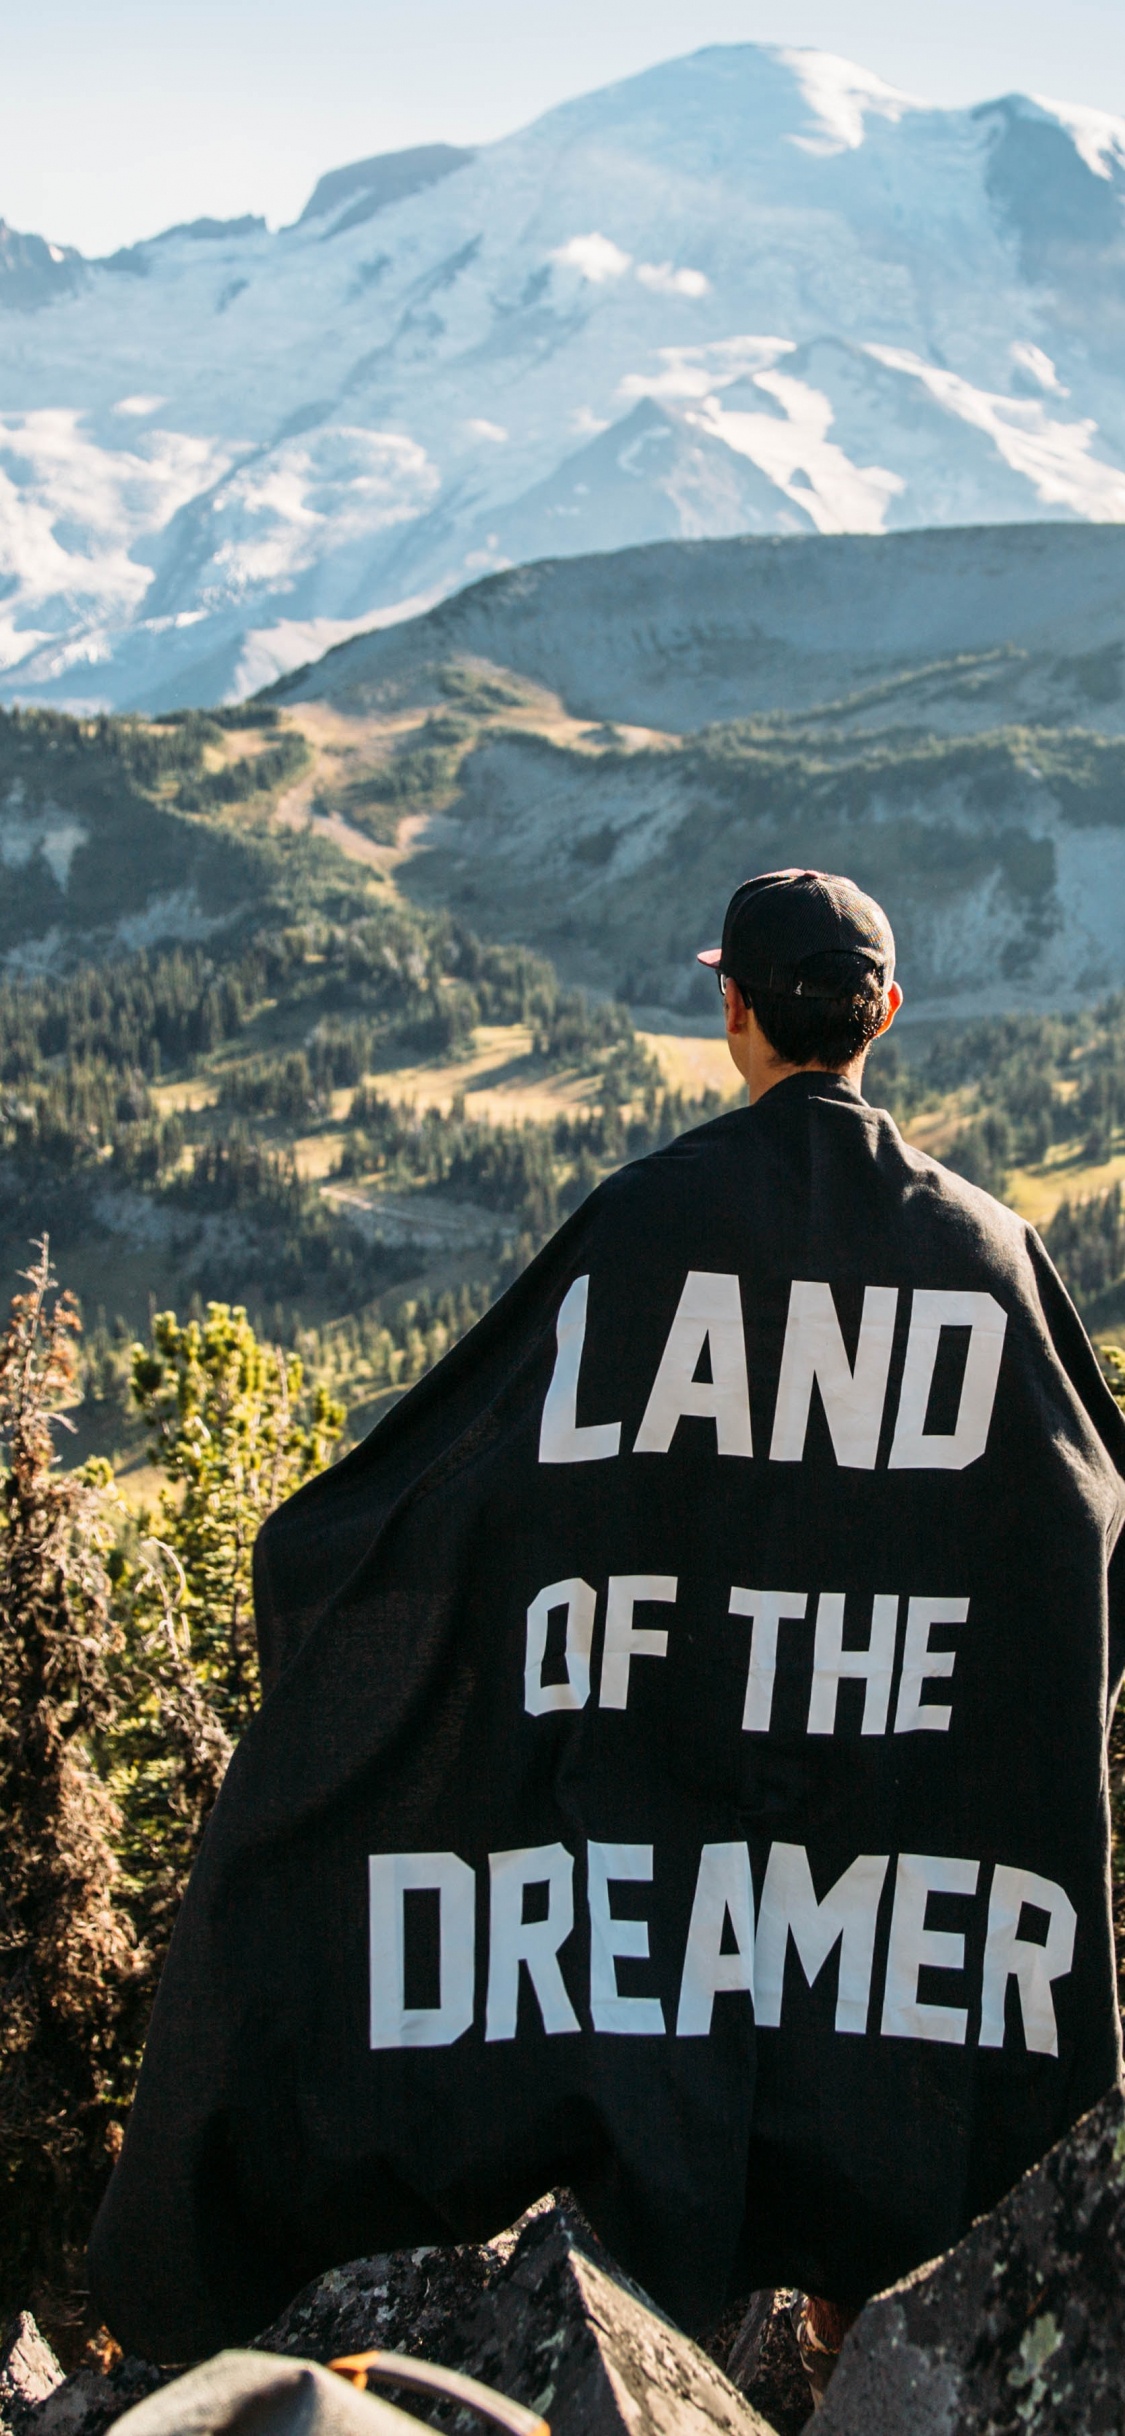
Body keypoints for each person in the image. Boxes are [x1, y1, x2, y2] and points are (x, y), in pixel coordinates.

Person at [91, 871, 1125, 2370]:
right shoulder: (984, 1252)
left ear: (732, 1013)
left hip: (672, 1827)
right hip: (898, 1849)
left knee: (675, 2029)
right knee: (879, 2092)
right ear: (882, 1015)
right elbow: (1087, 1511)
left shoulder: (642, 1229)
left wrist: (334, 1593)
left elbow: (461, 1474)